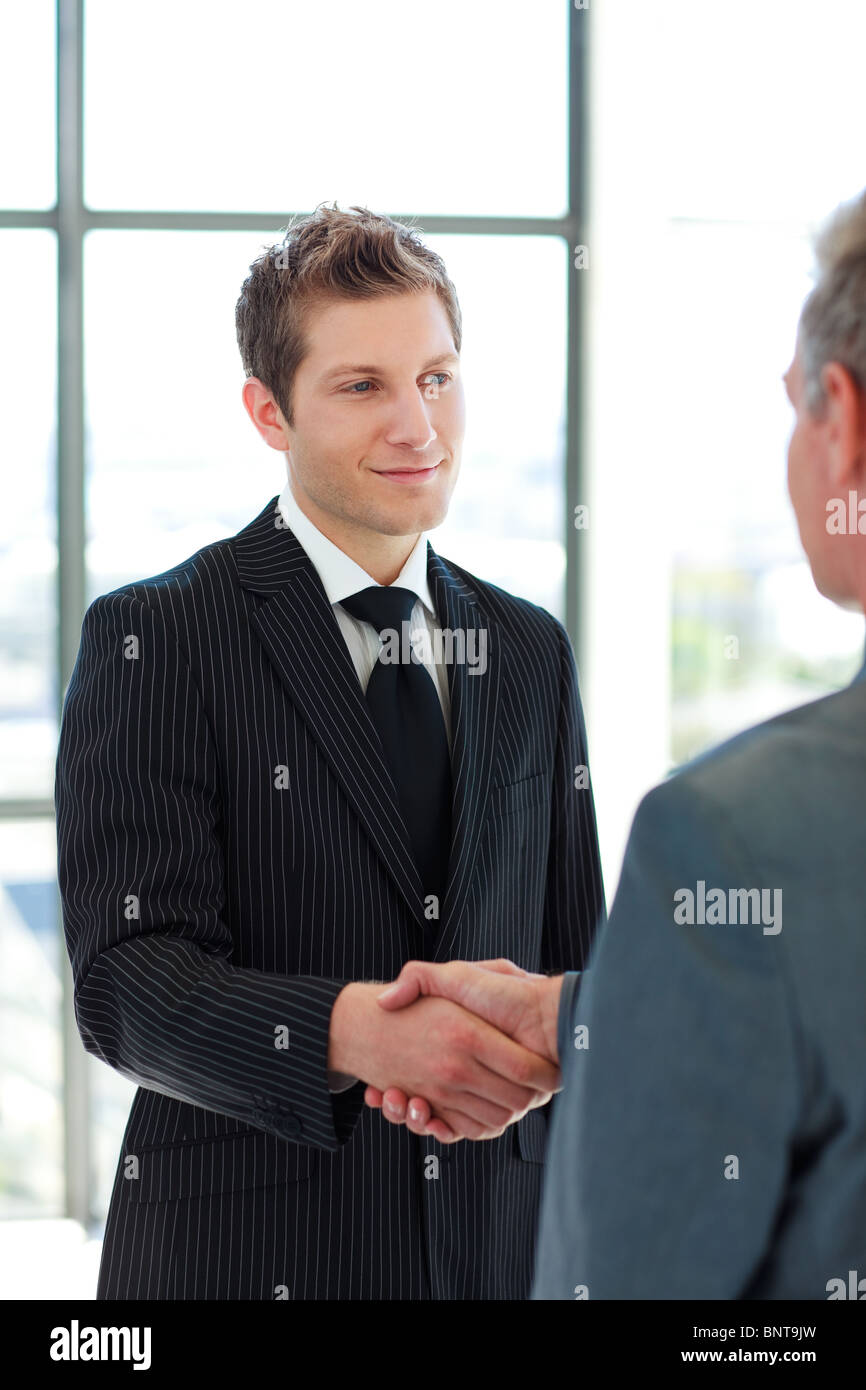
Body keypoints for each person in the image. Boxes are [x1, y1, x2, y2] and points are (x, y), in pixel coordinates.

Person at [54, 203, 604, 1300]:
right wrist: (354, 1035)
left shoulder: (528, 648)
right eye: (363, 387)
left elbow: (568, 952)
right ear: (269, 410)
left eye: (437, 379)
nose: (418, 427)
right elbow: (125, 983)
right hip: (246, 1256)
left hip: (502, 1252)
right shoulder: (159, 635)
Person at [368, 188, 866, 1300]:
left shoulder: (731, 835)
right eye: (363, 384)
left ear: (843, 417)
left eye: (792, 404)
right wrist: (587, 1014)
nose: (413, 425)